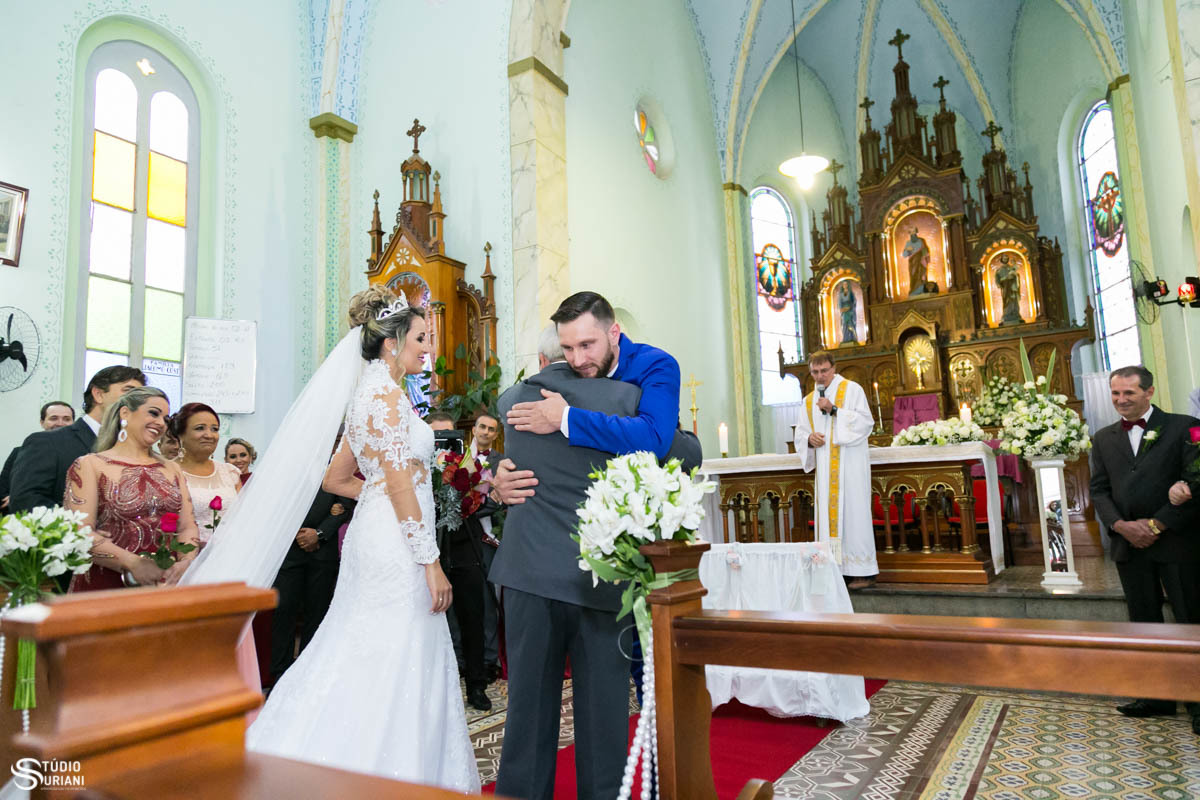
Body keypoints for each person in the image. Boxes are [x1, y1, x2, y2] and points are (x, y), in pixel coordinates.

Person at [231, 293, 478, 791]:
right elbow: (401, 482)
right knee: (394, 644)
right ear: (391, 344)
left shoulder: (370, 395)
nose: (427, 350)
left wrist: (380, 497)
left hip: (380, 530)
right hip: (398, 546)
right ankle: (386, 772)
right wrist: (429, 559)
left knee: (362, 639)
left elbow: (337, 478)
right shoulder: (385, 398)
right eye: (421, 339)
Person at [1089, 365, 1200, 733]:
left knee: (1189, 621)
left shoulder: (1184, 427)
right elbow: (1099, 490)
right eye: (1115, 394)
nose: (1121, 401)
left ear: (1149, 392)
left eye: (1129, 394)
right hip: (1128, 545)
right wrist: (1119, 526)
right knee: (1144, 622)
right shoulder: (1103, 438)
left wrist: (1157, 524)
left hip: (1176, 542)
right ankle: (1157, 696)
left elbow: (1195, 484)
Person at [62, 387, 200, 591]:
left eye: (166, 418)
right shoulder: (90, 465)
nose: (161, 423)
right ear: (125, 413)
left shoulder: (172, 469)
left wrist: (185, 563)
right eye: (153, 413)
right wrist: (132, 562)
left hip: (165, 584)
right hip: (106, 585)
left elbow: (187, 526)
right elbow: (79, 533)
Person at [792, 351, 877, 588]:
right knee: (829, 519)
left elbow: (865, 422)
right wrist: (809, 438)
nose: (820, 377)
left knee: (853, 514)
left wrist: (835, 411)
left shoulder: (852, 390)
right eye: (815, 372)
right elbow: (800, 431)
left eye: (824, 371)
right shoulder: (808, 400)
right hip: (826, 470)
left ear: (833, 368)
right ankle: (834, 570)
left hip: (849, 467)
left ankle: (862, 572)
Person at [9, 365, 145, 513]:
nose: (137, 401)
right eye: (129, 391)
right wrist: (83, 527)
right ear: (98, 394)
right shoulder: (48, 442)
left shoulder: (133, 447)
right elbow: (26, 499)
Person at [268, 469, 354, 686]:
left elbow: (346, 504)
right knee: (283, 611)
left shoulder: (334, 464)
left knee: (317, 613)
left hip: (323, 551)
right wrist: (297, 532)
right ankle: (279, 677)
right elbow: (271, 503)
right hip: (286, 548)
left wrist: (320, 533)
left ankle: (308, 676)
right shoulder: (286, 464)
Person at [172, 402, 242, 544]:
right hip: (185, 555)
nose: (209, 435)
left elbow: (241, 517)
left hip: (229, 551)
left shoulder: (229, 472)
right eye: (200, 428)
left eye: (214, 429)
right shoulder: (167, 472)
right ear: (181, 434)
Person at [468, 411, 504, 680]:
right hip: (461, 540)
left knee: (490, 600)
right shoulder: (457, 460)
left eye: (491, 429)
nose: (486, 432)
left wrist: (484, 504)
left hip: (488, 539)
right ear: (474, 430)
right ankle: (463, 658)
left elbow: (500, 500)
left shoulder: (501, 463)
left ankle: (491, 659)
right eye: (482, 427)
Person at [1, 400, 75, 512]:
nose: (60, 423)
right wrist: (18, 497)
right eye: (53, 418)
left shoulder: (81, 455)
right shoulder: (18, 453)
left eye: (67, 419)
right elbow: (2, 490)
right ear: (42, 422)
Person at [901, 227, 933, 296]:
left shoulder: (921, 240)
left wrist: (926, 257)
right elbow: (904, 255)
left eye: (914, 232)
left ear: (916, 232)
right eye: (911, 233)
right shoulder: (908, 243)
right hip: (912, 262)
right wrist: (908, 250)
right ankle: (914, 290)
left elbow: (925, 249)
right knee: (913, 275)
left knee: (922, 275)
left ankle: (923, 289)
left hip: (921, 261)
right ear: (909, 234)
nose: (913, 234)